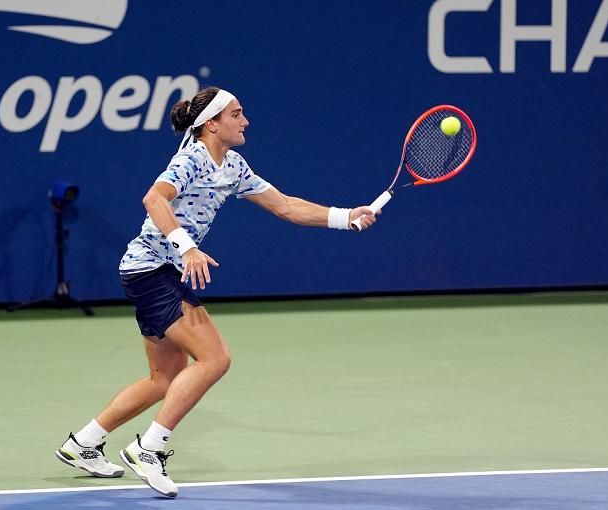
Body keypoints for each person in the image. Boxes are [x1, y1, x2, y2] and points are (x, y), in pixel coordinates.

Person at [55, 87, 378, 498]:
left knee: (164, 379)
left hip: (149, 271)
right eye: (237, 114)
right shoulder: (190, 159)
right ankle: (147, 448)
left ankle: (82, 444)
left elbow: (285, 206)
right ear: (212, 124)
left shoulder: (234, 165)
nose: (245, 121)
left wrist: (345, 217)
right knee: (215, 358)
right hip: (154, 269)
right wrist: (186, 247)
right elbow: (154, 198)